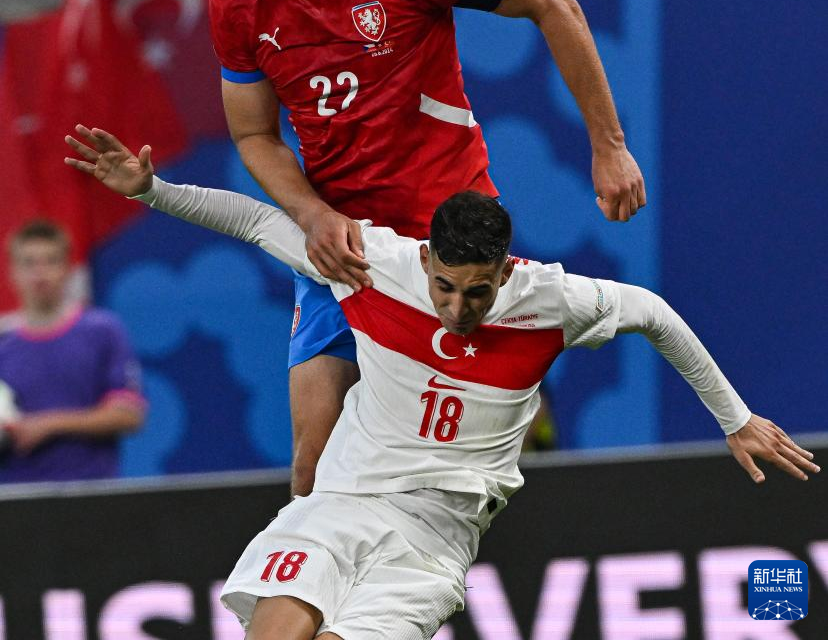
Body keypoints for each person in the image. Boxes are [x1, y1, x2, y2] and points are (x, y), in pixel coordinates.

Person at [64, 127, 819, 639]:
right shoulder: (378, 263)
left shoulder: (552, 301)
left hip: (431, 541)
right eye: (446, 287)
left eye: (478, 292)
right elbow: (261, 223)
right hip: (340, 503)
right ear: (426, 258)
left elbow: (653, 313)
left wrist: (735, 418)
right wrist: (151, 189)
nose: (459, 309)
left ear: (506, 270)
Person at [208, 0, 645, 498]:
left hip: (445, 231)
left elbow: (552, 1)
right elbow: (254, 135)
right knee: (312, 471)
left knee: (479, 453)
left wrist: (610, 147)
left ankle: (533, 428)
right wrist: (314, 215)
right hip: (341, 242)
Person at [0, 219, 145, 484]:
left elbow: (129, 414)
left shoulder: (103, 331)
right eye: (29, 263)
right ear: (12, 272)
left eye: (50, 261)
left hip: (91, 494)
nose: (40, 273)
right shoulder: (3, 341)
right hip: (15, 497)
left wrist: (48, 424)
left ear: (68, 269)